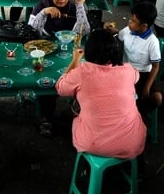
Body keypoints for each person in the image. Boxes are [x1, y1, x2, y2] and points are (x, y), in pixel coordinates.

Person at [55, 29, 146, 159]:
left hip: (94, 144)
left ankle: (86, 166)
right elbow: (136, 77)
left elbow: (60, 88)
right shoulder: (128, 70)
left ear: (89, 51)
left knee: (76, 113)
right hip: (132, 143)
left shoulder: (82, 72)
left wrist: (75, 61)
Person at [112, 2, 162, 116]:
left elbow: (155, 66)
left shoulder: (152, 42)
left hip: (143, 74)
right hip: (125, 71)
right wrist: (112, 29)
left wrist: (147, 87)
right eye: (130, 18)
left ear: (144, 25)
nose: (129, 21)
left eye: (133, 21)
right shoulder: (128, 30)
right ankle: (131, 109)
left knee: (157, 98)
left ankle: (138, 111)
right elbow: (119, 34)